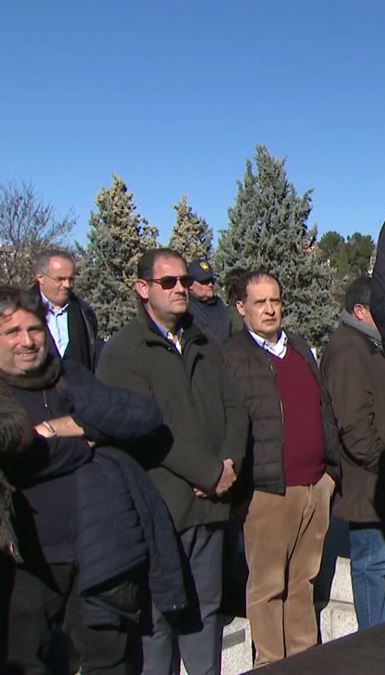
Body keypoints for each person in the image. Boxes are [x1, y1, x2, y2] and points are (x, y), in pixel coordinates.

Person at [0, 285, 172, 675]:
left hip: (96, 555)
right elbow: (20, 459)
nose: (27, 341)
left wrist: (59, 428)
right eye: (12, 332)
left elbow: (141, 415)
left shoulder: (68, 377)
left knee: (106, 659)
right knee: (24, 661)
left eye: (35, 329)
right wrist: (86, 440)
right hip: (26, 563)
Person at [97, 248, 248, 675]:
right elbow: (146, 430)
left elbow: (235, 407)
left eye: (183, 280)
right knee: (158, 626)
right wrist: (209, 472)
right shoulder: (125, 351)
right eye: (169, 282)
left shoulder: (203, 340)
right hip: (160, 511)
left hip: (209, 509)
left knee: (205, 618)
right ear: (143, 289)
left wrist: (228, 463)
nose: (181, 288)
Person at [223, 271, 342, 666]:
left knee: (303, 582)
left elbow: (322, 408)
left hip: (315, 486)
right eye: (260, 302)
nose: (271, 309)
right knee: (268, 587)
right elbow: (231, 424)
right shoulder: (233, 357)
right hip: (270, 492)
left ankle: (304, 661)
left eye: (275, 300)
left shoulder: (300, 348)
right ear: (241, 308)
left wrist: (329, 476)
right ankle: (271, 664)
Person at [320, 277, 385, 630]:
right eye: (384, 307)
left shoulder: (375, 344)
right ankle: (373, 642)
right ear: (360, 310)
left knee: (382, 562)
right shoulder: (348, 350)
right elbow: (355, 428)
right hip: (371, 483)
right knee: (371, 564)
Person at [31, 249, 99, 370]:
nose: (67, 285)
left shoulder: (85, 314)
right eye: (60, 279)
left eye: (71, 279)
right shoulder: (23, 311)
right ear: (40, 277)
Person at [185, 259, 232, 344]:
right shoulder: (186, 310)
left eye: (211, 280)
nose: (210, 284)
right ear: (190, 285)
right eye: (204, 281)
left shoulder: (220, 304)